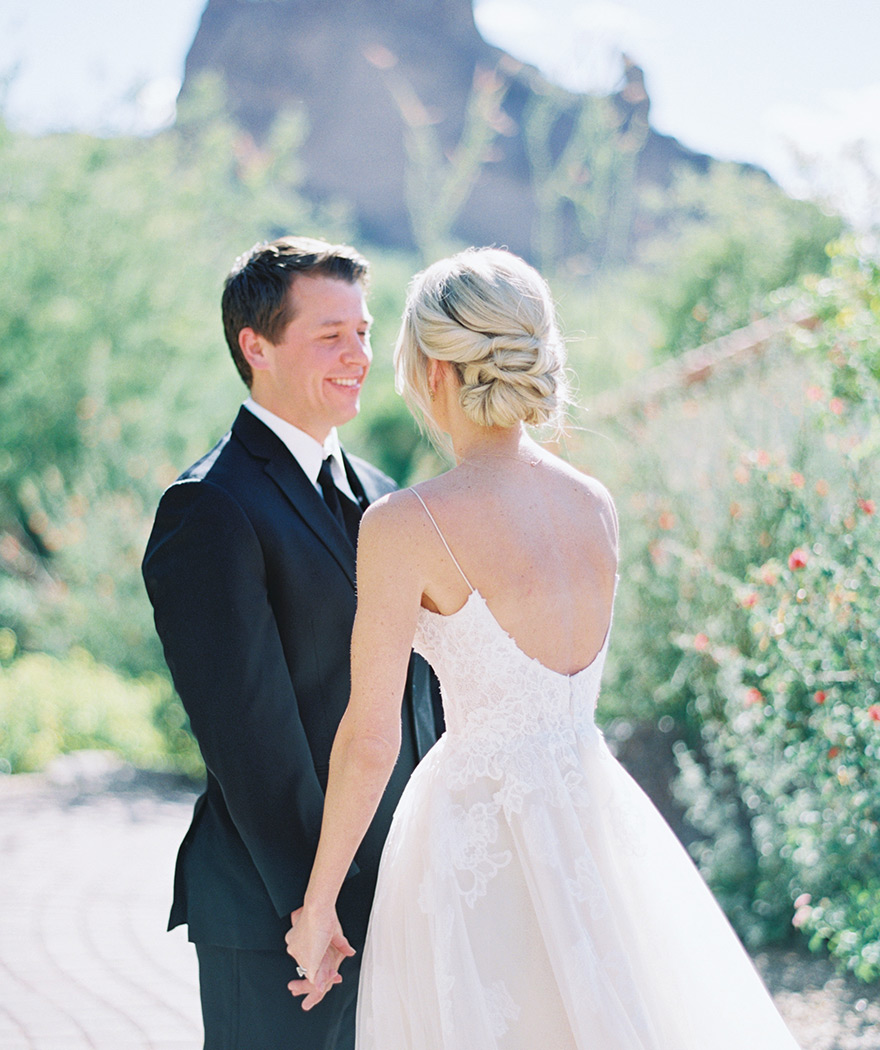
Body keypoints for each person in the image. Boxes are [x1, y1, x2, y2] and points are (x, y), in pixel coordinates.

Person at [285, 247, 802, 1049]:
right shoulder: (594, 504)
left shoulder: (404, 526)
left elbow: (369, 738)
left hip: (473, 833)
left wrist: (319, 905)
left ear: (433, 373)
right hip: (593, 809)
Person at [142, 236, 438, 1050]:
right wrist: (318, 903)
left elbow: (418, 701)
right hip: (282, 912)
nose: (359, 355)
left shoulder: (385, 499)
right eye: (329, 335)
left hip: (396, 897)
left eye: (365, 331)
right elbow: (252, 739)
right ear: (256, 346)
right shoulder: (210, 509)